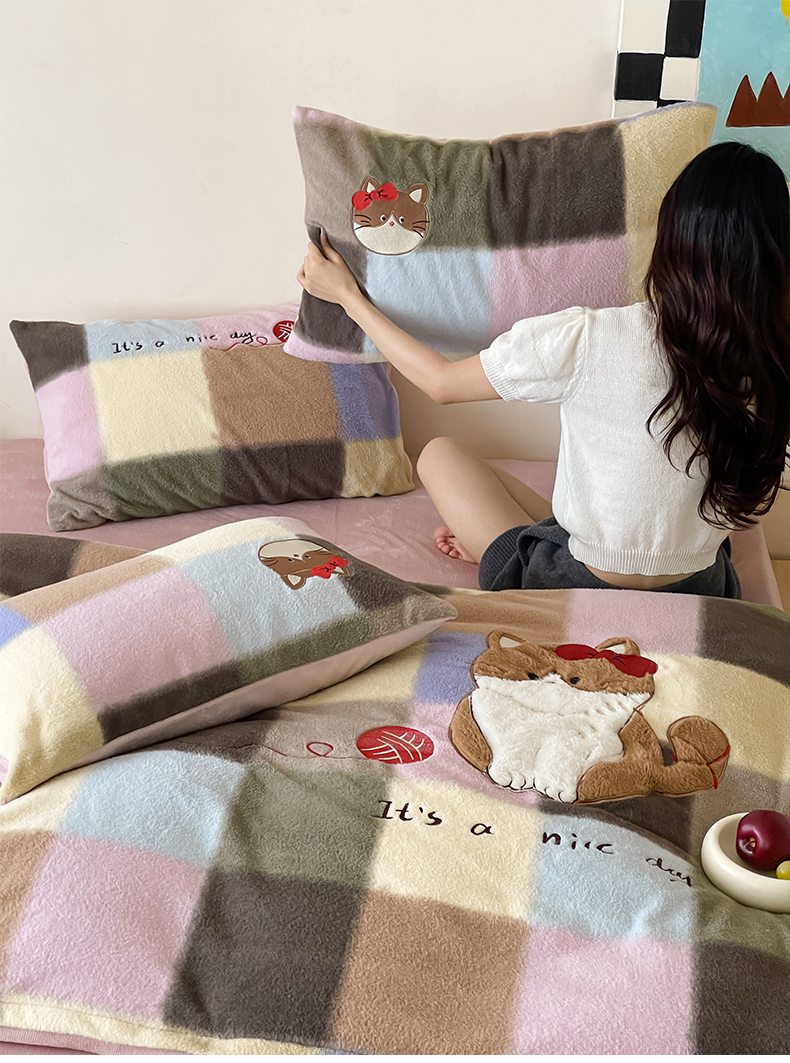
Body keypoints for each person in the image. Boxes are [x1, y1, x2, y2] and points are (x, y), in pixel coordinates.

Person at [297, 143, 790, 598]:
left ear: (671, 239)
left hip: (568, 584)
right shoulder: (775, 358)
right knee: (569, 510)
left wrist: (347, 297)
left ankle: (498, 547)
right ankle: (509, 537)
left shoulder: (593, 336)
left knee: (439, 455)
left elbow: (441, 383)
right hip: (702, 587)